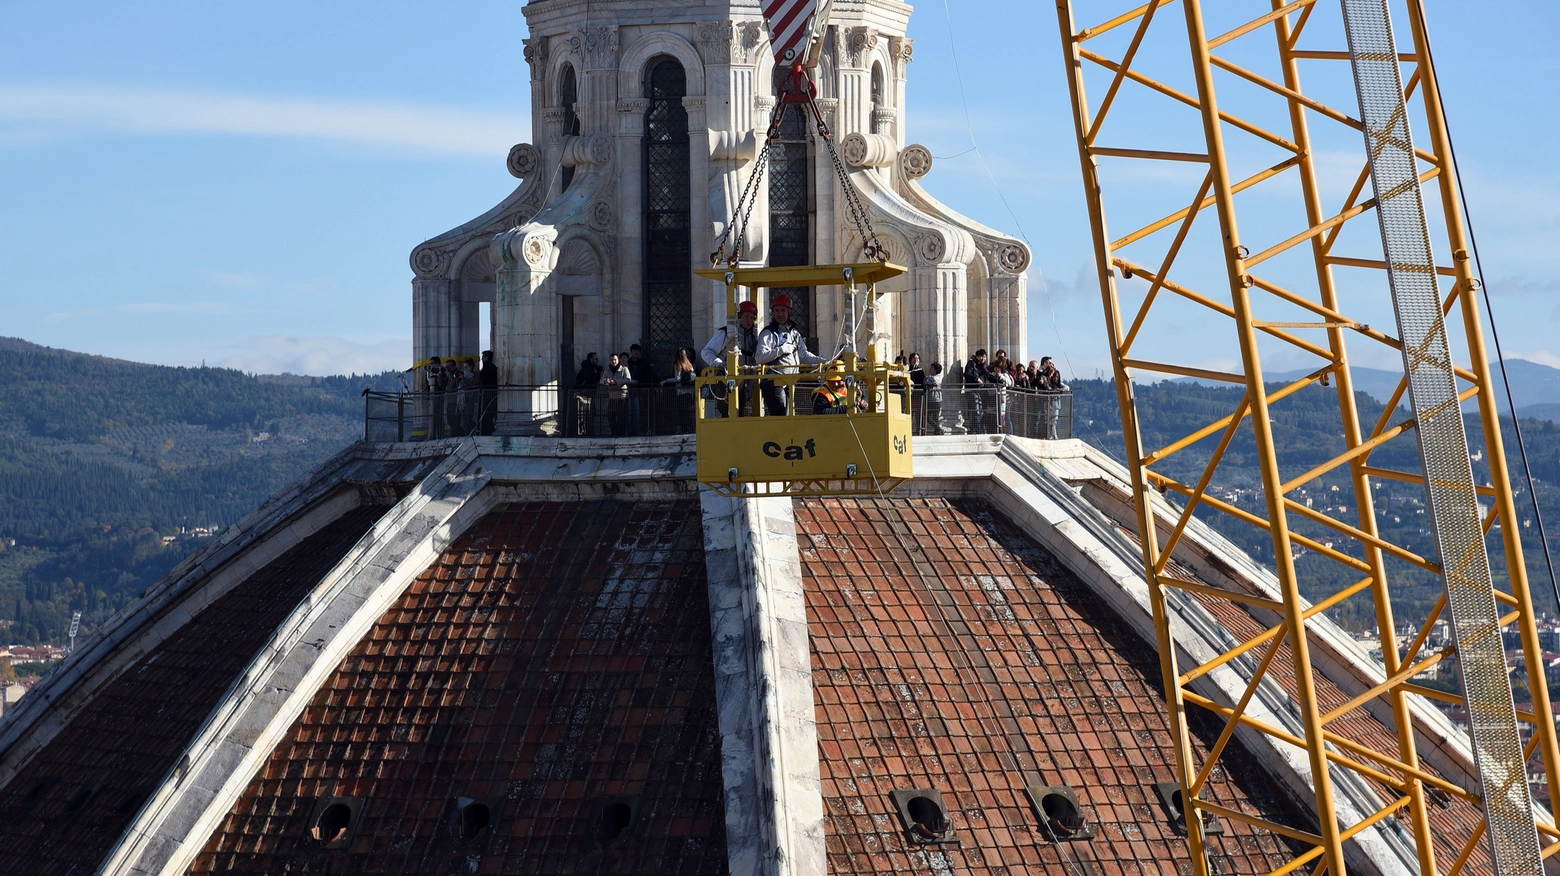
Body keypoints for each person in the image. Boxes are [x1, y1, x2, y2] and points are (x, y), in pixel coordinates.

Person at [756, 294, 828, 416]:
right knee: (781, 418)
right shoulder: (768, 333)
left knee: (788, 418)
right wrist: (781, 349)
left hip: (790, 382)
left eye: (783, 310)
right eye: (777, 310)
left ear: (789, 311)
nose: (780, 314)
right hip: (774, 384)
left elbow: (804, 356)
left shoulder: (794, 334)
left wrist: (825, 362)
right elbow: (759, 357)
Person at [700, 300, 762, 417]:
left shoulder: (753, 338)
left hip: (743, 384)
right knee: (726, 414)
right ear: (739, 316)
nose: (749, 321)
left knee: (740, 415)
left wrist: (751, 382)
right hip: (725, 381)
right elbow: (706, 352)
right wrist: (719, 364)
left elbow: (754, 361)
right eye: (746, 317)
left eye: (752, 318)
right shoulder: (726, 333)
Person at [661, 348, 697, 433]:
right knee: (689, 411)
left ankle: (684, 429)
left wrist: (666, 380)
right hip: (690, 391)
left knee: (682, 412)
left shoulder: (678, 364)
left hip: (681, 392)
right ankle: (691, 428)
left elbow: (678, 378)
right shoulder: (690, 365)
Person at [962, 349, 994, 434]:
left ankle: (974, 430)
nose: (982, 358)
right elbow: (967, 375)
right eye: (980, 356)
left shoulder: (983, 367)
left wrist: (1000, 381)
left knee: (979, 412)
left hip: (979, 391)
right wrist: (977, 379)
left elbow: (989, 376)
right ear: (977, 356)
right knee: (976, 412)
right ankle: (977, 431)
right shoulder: (971, 363)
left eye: (984, 356)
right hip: (971, 390)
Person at [1037, 356, 1069, 440]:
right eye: (1049, 363)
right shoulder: (1041, 373)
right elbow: (1047, 386)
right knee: (1049, 419)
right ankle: (1050, 435)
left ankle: (1053, 435)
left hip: (1055, 401)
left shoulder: (1055, 377)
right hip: (1047, 401)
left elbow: (1061, 384)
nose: (1051, 364)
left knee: (1054, 419)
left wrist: (1064, 388)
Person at [600, 352, 632, 435]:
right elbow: (601, 380)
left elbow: (628, 380)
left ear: (618, 360)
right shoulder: (607, 369)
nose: (613, 362)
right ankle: (615, 432)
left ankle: (621, 433)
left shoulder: (624, 369)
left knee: (622, 417)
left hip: (622, 396)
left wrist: (616, 382)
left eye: (615, 360)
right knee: (610, 416)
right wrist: (605, 381)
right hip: (612, 397)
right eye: (611, 360)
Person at [627, 343, 655, 435]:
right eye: (634, 350)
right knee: (628, 413)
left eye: (638, 351)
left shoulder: (644, 364)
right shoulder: (627, 363)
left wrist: (643, 386)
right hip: (627, 391)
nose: (636, 352)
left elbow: (648, 376)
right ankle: (629, 431)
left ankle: (637, 431)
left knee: (638, 412)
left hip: (640, 391)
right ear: (631, 352)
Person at [479, 350, 498, 436]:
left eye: (483, 357)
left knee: (486, 413)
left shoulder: (488, 367)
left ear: (487, 358)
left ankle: (487, 431)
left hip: (487, 393)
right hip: (489, 392)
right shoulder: (492, 367)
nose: (481, 359)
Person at [924, 362, 945, 435]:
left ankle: (938, 431)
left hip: (936, 400)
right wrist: (929, 380)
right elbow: (927, 381)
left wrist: (929, 380)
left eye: (931, 368)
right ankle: (938, 431)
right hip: (931, 399)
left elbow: (933, 381)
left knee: (930, 417)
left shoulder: (939, 377)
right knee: (930, 417)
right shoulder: (931, 377)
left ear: (935, 370)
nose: (930, 369)